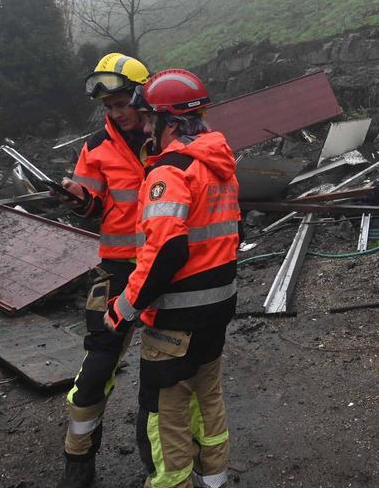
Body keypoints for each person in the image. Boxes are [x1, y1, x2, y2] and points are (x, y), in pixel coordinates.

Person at [103, 69, 240, 488]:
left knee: (165, 411)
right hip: (219, 307)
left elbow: (165, 251)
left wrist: (122, 309)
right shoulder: (220, 165)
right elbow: (234, 234)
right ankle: (214, 479)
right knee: (208, 393)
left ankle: (172, 482)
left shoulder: (169, 172)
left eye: (149, 120)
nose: (146, 128)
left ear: (170, 121)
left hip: (178, 317)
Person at [54, 53, 150, 488]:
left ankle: (168, 463)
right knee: (97, 367)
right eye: (109, 107)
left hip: (170, 267)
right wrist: (78, 200)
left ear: (142, 95)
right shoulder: (94, 149)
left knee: (169, 372)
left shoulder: (170, 138)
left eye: (123, 102)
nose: (117, 112)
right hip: (118, 267)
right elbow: (94, 208)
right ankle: (79, 459)